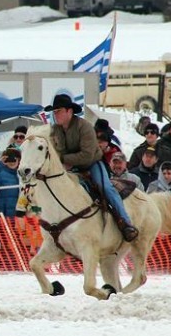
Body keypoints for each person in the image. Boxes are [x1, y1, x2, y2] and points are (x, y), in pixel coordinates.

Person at [45, 94, 139, 242]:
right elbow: (57, 151)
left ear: (69, 111)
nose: (55, 114)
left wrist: (63, 159)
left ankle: (126, 223)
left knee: (106, 188)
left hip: (92, 164)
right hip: (70, 168)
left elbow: (87, 156)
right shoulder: (55, 130)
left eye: (58, 111)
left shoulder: (85, 127)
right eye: (54, 112)